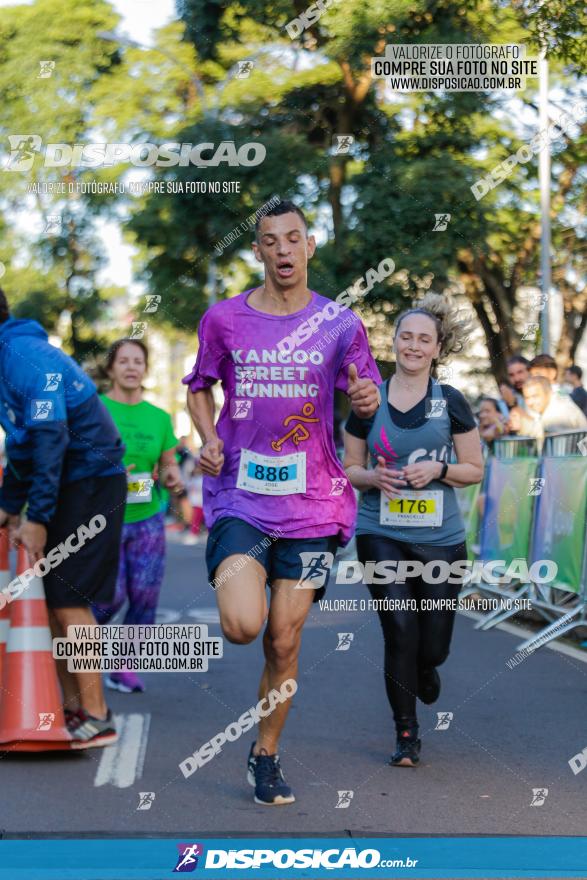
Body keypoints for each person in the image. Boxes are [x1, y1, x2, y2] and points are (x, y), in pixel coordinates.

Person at [184, 199, 381, 805]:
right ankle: (236, 570)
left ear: (309, 245)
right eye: (271, 241)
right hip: (243, 494)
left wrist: (367, 401)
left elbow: (364, 393)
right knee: (245, 626)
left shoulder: (340, 322)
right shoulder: (224, 320)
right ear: (259, 251)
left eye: (293, 238)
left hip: (315, 504)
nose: (284, 250)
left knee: (285, 641)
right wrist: (209, 437)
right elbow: (199, 388)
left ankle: (264, 754)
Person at [343, 293, 483, 768]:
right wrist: (373, 478)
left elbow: (474, 469)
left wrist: (439, 471)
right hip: (380, 529)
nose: (414, 346)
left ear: (437, 348)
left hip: (441, 538)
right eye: (407, 337)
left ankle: (427, 666)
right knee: (399, 629)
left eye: (425, 339)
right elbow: (350, 468)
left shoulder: (452, 402)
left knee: (433, 645)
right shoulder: (368, 400)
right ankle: (406, 734)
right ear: (396, 342)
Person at [0, 288, 126, 748]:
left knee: (70, 597)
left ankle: (98, 715)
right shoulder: (5, 359)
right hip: (72, 478)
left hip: (91, 476)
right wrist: (9, 506)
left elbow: (50, 437)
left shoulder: (25, 357)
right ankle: (75, 707)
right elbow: (22, 445)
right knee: (56, 596)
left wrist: (38, 516)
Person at [94, 338, 183, 694]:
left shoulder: (159, 418)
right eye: (124, 361)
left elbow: (168, 466)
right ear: (112, 368)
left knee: (145, 594)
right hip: (104, 518)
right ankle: (74, 650)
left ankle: (123, 666)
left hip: (147, 516)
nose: (131, 367)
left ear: (145, 369)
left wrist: (172, 477)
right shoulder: (95, 410)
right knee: (109, 596)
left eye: (138, 362)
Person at [517, 375, 587, 444]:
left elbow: (558, 452)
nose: (530, 402)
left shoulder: (555, 413)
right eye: (527, 397)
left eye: (535, 396)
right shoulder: (557, 403)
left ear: (549, 392)